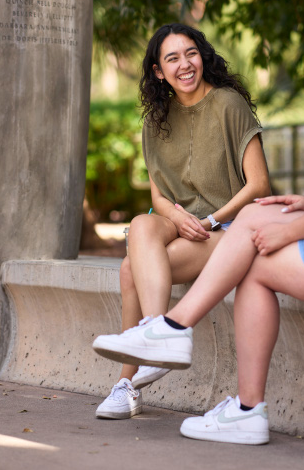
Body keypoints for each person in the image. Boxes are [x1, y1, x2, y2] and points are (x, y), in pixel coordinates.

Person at [93, 0, 304, 443]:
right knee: (142, 237)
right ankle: (171, 357)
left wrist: (286, 231)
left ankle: (174, 337)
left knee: (252, 249)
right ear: (157, 72)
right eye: (171, 58)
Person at [95, 23, 271, 419]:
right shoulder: (156, 120)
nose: (184, 64)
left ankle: (130, 378)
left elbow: (259, 184)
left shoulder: (228, 104)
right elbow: (159, 194)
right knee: (142, 223)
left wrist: (209, 220)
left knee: (128, 271)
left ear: (202, 56)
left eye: (190, 53)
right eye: (172, 58)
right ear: (159, 71)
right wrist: (180, 217)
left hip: (228, 226)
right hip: (180, 219)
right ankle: (158, 334)